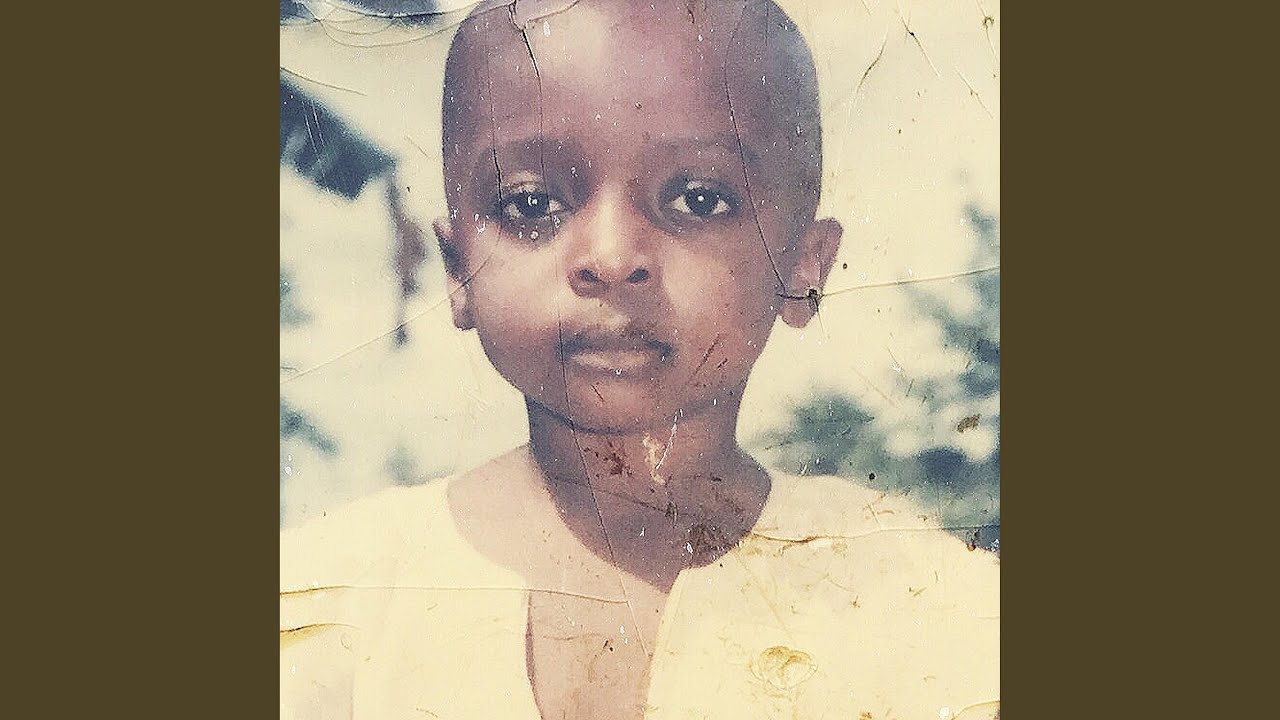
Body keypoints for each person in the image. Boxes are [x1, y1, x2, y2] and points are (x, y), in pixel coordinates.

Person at [280, 1, 999, 718]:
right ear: (458, 268)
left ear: (805, 267)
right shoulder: (323, 606)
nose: (612, 257)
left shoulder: (929, 613)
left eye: (699, 199)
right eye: (530, 204)